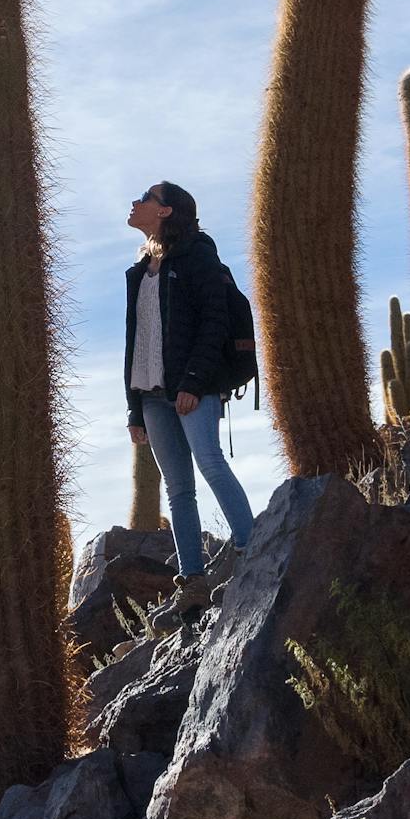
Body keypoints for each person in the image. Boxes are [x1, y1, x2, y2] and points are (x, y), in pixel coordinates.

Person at [123, 182, 257, 606]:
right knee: (178, 489)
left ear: (164, 212)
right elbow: (136, 341)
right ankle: (193, 582)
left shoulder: (197, 254)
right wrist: (135, 410)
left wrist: (195, 382)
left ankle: (251, 548)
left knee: (211, 464)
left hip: (191, 388)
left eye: (145, 198)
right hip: (151, 395)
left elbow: (214, 320)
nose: (135, 202)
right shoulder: (140, 272)